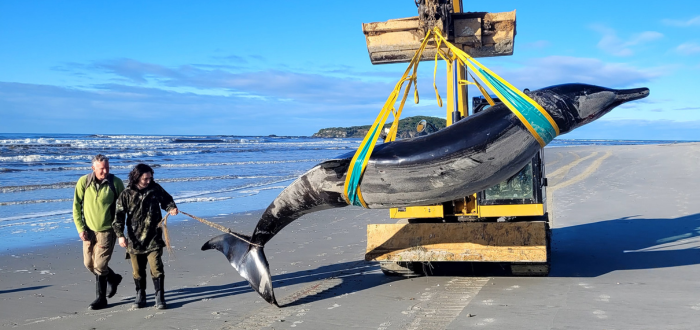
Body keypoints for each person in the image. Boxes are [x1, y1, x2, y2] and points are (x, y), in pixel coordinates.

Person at [114, 164, 178, 309]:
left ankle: (159, 297)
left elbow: (167, 200)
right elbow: (118, 217)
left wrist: (171, 208)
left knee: (156, 267)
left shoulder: (155, 189)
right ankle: (140, 295)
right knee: (137, 270)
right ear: (136, 177)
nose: (149, 181)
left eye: (150, 178)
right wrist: (120, 236)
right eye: (145, 178)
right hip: (134, 239)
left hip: (154, 237)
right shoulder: (126, 194)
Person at [72, 154, 125, 310]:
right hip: (88, 231)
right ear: (93, 168)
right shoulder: (84, 182)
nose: (105, 171)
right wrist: (80, 228)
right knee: (88, 264)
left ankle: (101, 299)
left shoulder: (115, 183)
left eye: (107, 168)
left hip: (107, 231)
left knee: (100, 265)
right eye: (102, 168)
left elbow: (123, 208)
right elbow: (76, 207)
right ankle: (113, 278)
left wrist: (121, 231)